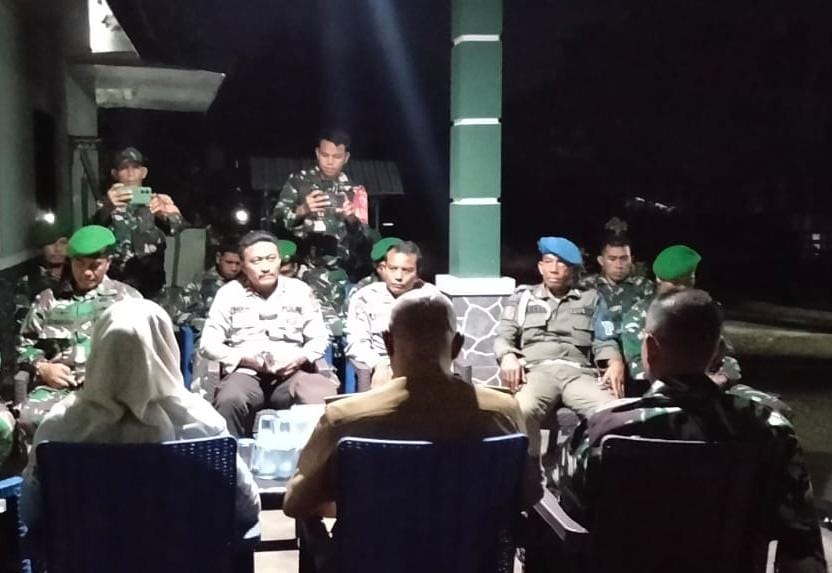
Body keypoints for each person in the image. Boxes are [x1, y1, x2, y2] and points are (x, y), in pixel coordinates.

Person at [558, 289, 827, 572]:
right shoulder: (770, 430)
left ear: (649, 348)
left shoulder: (604, 428)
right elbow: (802, 547)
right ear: (718, 352)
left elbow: (570, 515)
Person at [284, 288, 543, 520]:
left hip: (373, 553)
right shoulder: (503, 411)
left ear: (388, 342)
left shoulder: (343, 417)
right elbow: (528, 494)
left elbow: (296, 504)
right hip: (472, 554)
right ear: (457, 346)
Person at [20, 299, 260, 533]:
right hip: (183, 556)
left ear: (99, 349)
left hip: (83, 556)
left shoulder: (59, 427)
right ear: (166, 348)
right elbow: (247, 509)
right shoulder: (203, 425)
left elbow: (31, 514)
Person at [494, 236, 624, 459]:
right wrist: (507, 356)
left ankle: (589, 467)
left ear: (572, 270)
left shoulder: (591, 299)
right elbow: (503, 336)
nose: (554, 269)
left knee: (610, 412)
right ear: (540, 267)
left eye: (561, 263)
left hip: (579, 374)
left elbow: (605, 339)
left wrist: (615, 361)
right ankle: (530, 470)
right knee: (522, 409)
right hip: (537, 372)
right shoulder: (523, 298)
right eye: (548, 262)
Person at [199, 231, 338, 437]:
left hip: (291, 373)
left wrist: (299, 358)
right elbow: (208, 344)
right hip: (246, 373)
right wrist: (246, 359)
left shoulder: (299, 290)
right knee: (230, 399)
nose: (266, 267)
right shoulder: (229, 293)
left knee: (319, 393)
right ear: (243, 266)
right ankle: (232, 456)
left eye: (271, 259)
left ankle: (312, 457)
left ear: (279, 260)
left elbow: (319, 338)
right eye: (256, 261)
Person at [16, 225, 142, 434]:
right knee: (30, 420)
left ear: (108, 262)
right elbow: (24, 346)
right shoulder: (48, 300)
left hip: (113, 389)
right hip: (58, 389)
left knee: (126, 425)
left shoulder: (128, 299)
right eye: (80, 264)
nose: (86, 272)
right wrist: (42, 367)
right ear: (70, 262)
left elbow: (143, 348)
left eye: (95, 265)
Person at [267, 129, 371, 336]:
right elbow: (275, 223)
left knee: (340, 329)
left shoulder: (355, 190)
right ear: (317, 153)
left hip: (339, 272)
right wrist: (302, 210)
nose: (330, 162)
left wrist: (352, 220)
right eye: (325, 155)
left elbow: (365, 240)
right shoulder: (299, 182)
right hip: (300, 270)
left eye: (337, 156)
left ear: (346, 157)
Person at [621, 245, 741, 391]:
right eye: (676, 283)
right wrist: (686, 385)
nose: (683, 289)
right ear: (658, 279)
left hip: (711, 387)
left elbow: (727, 357)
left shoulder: (702, 310)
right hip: (662, 391)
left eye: (688, 281)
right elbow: (638, 367)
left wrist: (723, 378)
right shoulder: (639, 315)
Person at [92, 146, 185, 298]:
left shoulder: (158, 200)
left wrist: (164, 213)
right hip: (116, 284)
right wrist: (107, 207)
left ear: (144, 172)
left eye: (135, 167)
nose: (130, 173)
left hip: (151, 284)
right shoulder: (106, 203)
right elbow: (93, 232)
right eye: (124, 168)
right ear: (115, 174)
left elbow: (177, 227)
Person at [346, 241, 437, 388]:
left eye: (407, 270)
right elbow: (356, 342)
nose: (398, 276)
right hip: (383, 368)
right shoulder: (365, 297)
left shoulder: (432, 297)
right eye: (393, 269)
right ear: (384, 269)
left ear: (417, 272)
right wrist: (378, 363)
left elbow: (444, 340)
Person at [577, 232, 655, 333]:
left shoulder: (645, 287)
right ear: (601, 261)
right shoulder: (585, 286)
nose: (619, 265)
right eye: (612, 259)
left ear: (631, 260)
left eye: (624, 258)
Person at [174, 239, 243, 334]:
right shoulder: (201, 283)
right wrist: (202, 323)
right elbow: (177, 314)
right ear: (218, 258)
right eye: (229, 262)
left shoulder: (247, 283)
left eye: (238, 263)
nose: (234, 268)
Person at [14, 214, 70, 329]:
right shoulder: (28, 280)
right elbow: (22, 320)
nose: (57, 248)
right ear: (40, 248)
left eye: (63, 242)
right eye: (50, 243)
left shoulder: (77, 275)